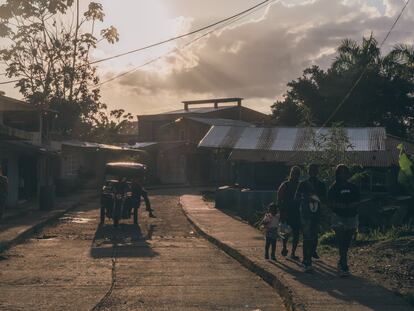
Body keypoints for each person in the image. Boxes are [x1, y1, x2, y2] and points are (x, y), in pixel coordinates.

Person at [328, 164, 360, 277]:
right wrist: (338, 205)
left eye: (345, 172)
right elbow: (330, 203)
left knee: (346, 242)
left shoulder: (354, 187)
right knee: (341, 241)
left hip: (351, 217)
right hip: (338, 216)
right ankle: (344, 265)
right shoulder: (333, 188)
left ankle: (341, 261)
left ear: (348, 174)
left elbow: (358, 201)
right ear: (337, 174)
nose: (343, 174)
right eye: (340, 172)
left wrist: (352, 205)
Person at [296, 164, 326, 272]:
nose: (313, 171)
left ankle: (310, 256)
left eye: (315, 169)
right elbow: (297, 197)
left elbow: (324, 198)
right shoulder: (303, 184)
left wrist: (316, 198)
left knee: (313, 237)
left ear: (318, 171)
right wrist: (306, 198)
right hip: (305, 213)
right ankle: (306, 260)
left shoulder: (321, 185)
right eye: (311, 170)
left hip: (316, 213)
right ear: (308, 171)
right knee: (307, 237)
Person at [277, 166, 301, 260]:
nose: (295, 175)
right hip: (287, 211)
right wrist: (281, 210)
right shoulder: (285, 185)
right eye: (294, 173)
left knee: (296, 233)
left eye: (297, 174)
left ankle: (293, 252)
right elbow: (279, 198)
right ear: (291, 174)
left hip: (297, 212)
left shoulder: (300, 185)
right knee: (285, 232)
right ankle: (284, 247)